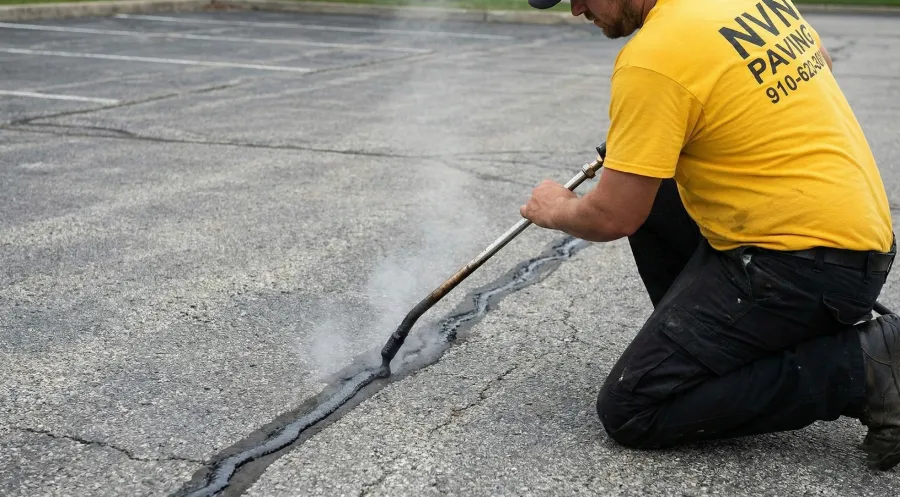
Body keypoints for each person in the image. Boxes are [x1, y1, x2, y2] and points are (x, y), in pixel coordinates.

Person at [519, 0, 900, 470]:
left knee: (633, 408)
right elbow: (819, 58)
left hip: (801, 269)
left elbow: (612, 218)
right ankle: (724, 347)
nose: (576, 9)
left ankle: (861, 368)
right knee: (649, 187)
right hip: (858, 243)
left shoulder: (653, 56)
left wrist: (556, 208)